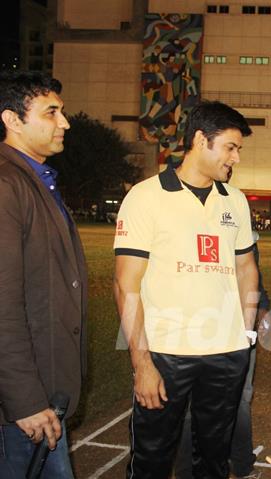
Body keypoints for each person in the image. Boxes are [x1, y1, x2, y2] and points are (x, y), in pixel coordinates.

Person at [113, 101, 259, 478]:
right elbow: (126, 284)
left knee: (213, 460)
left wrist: (244, 334)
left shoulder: (236, 201)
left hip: (226, 354)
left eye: (238, 149)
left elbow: (247, 268)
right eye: (230, 146)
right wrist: (142, 363)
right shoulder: (146, 196)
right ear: (200, 140)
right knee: (152, 459)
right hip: (165, 354)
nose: (236, 158)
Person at [0, 71, 87, 479]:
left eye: (62, 112)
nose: (64, 122)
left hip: (43, 391)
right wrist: (25, 400)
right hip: (23, 406)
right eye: (51, 112)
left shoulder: (33, 179)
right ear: (13, 120)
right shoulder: (6, 184)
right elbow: (3, 303)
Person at [175, 230, 271, 479]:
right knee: (190, 404)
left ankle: (241, 464)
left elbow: (251, 271)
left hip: (236, 325)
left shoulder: (234, 211)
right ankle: (189, 471)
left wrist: (261, 307)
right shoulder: (179, 216)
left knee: (238, 398)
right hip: (192, 327)